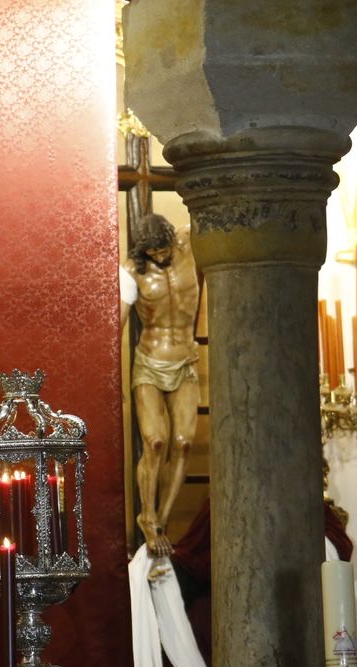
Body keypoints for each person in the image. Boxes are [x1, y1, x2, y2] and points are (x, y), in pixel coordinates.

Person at [120, 213, 199, 557]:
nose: (163, 257)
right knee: (154, 441)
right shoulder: (131, 272)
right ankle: (146, 517)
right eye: (155, 253)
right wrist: (113, 380)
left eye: (166, 249)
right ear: (144, 251)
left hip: (186, 359)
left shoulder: (188, 242)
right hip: (150, 362)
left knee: (182, 443)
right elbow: (117, 324)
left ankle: (161, 520)